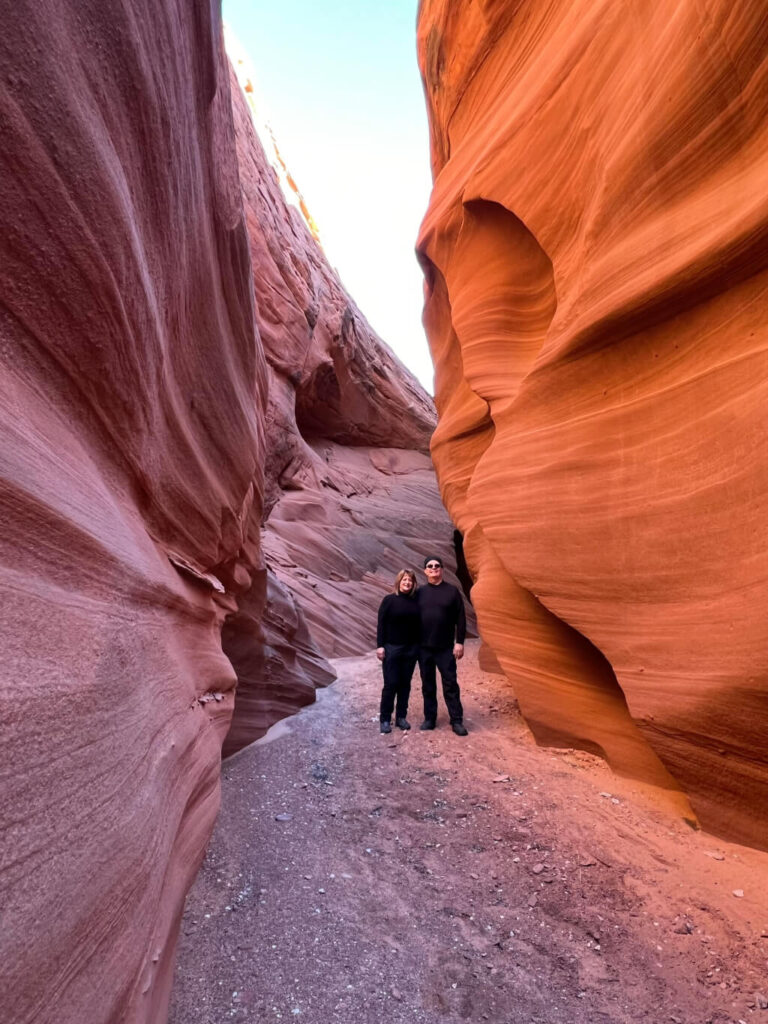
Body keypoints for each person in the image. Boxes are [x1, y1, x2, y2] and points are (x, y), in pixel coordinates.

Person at [416, 555, 468, 735]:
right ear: (425, 571)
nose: (433, 568)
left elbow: (460, 618)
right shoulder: (419, 592)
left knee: (450, 684)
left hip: (445, 647)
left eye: (437, 565)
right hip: (424, 647)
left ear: (442, 569)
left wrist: (459, 642)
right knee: (428, 684)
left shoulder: (452, 591)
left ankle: (457, 720)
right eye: (430, 566)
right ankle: (430, 719)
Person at [376, 569, 420, 734]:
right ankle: (385, 719)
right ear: (398, 582)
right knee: (390, 684)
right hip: (392, 647)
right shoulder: (389, 600)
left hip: (411, 648)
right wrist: (380, 646)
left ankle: (401, 717)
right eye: (404, 580)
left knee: (405, 684)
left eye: (410, 580)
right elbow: (381, 624)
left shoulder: (416, 602)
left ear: (413, 583)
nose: (407, 583)